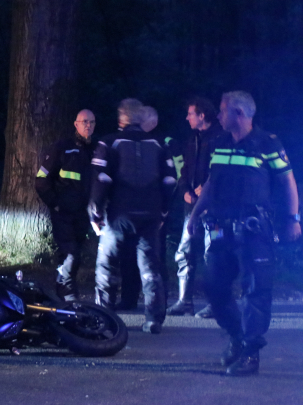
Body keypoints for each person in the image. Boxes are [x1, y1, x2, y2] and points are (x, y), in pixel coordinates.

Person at [188, 91, 300, 376]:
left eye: (222, 110)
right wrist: (195, 213)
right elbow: (211, 182)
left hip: (253, 230)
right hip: (220, 228)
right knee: (213, 287)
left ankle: (251, 354)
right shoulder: (220, 143)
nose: (218, 115)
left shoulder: (267, 143)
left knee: (255, 292)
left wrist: (292, 219)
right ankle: (237, 337)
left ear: (239, 113)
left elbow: (287, 182)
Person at [89, 99, 177, 333]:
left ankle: (104, 317)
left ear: (121, 118)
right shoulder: (159, 144)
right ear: (140, 118)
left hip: (118, 213)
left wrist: (95, 213)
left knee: (107, 265)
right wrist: (163, 211)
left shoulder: (109, 142)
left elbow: (100, 179)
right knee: (150, 266)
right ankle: (154, 319)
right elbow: (170, 181)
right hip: (150, 213)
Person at [168, 97, 224, 317]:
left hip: (215, 210)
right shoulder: (192, 140)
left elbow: (222, 172)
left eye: (190, 113)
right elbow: (184, 169)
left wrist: (208, 190)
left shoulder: (221, 138)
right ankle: (184, 301)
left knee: (214, 253)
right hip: (191, 208)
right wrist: (184, 190)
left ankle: (216, 303)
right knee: (185, 252)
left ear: (202, 115)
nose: (187, 118)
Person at [35, 109, 96, 301]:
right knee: (70, 252)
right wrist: (55, 203)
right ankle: (67, 292)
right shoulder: (62, 148)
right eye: (84, 121)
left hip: (84, 213)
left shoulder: (96, 150)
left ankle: (65, 289)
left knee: (74, 253)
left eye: (92, 122)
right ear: (76, 124)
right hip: (64, 212)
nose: (88, 125)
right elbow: (41, 179)